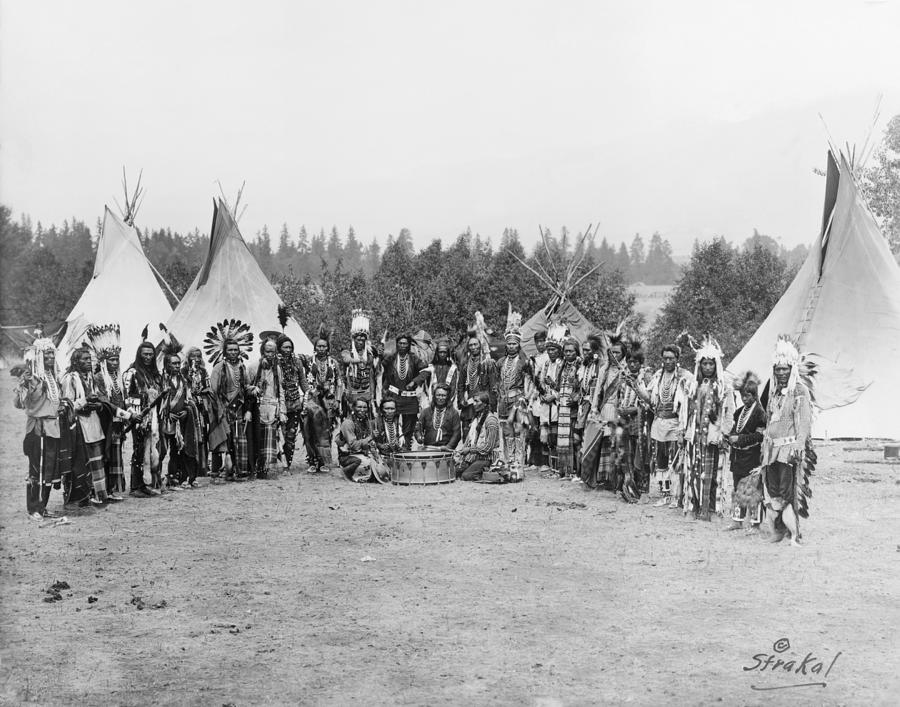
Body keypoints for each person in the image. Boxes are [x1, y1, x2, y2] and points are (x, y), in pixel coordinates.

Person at [760, 337, 814, 546]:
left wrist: (799, 446)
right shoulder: (773, 391)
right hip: (771, 449)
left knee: (787, 491)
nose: (781, 373)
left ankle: (794, 534)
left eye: (784, 369)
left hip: (788, 449)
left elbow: (804, 421)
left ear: (792, 368)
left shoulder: (800, 391)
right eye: (777, 369)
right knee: (772, 489)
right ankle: (778, 530)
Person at [14, 335, 65, 519]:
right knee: (36, 469)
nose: (51, 358)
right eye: (47, 355)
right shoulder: (33, 378)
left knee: (49, 470)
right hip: (38, 429)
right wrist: (26, 383)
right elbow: (19, 404)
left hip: (53, 428)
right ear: (40, 358)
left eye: (52, 355)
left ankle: (42, 507)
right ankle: (33, 508)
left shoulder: (54, 377)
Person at [683, 336, 733, 521]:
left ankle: (713, 509)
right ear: (699, 365)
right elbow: (685, 411)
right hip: (695, 436)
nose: (708, 368)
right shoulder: (692, 385)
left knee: (713, 474)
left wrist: (724, 433)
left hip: (714, 436)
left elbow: (729, 413)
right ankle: (693, 507)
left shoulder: (724, 386)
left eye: (711, 364)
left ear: (716, 365)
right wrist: (684, 432)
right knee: (695, 472)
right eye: (704, 364)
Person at [205, 320, 255, 482]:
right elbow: (213, 390)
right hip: (223, 408)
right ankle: (222, 471)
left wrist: (253, 389)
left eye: (235, 350)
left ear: (239, 351)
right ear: (224, 351)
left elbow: (245, 386)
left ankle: (239, 470)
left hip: (238, 407)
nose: (233, 352)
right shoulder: (219, 367)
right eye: (230, 350)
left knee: (239, 439)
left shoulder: (242, 367)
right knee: (224, 439)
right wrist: (219, 408)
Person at [87, 323, 132, 500]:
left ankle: (112, 489)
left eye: (116, 360)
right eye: (111, 360)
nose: (114, 362)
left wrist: (127, 413)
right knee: (104, 456)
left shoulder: (118, 378)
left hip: (117, 425)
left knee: (116, 455)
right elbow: (104, 402)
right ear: (104, 362)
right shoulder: (99, 377)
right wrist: (125, 414)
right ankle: (99, 491)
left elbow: (123, 398)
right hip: (104, 424)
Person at [61, 345, 108, 506]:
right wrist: (85, 400)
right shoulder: (70, 379)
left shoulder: (91, 377)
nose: (89, 362)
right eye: (85, 359)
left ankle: (98, 494)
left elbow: (98, 399)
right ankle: (81, 497)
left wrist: (98, 405)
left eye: (90, 359)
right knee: (82, 462)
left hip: (94, 425)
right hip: (80, 427)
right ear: (76, 361)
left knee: (97, 461)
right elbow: (67, 406)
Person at [580, 329, 627, 490]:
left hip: (617, 411)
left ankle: (614, 480)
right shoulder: (604, 370)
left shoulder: (625, 372)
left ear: (623, 354)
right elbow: (598, 390)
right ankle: (600, 478)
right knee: (600, 443)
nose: (614, 355)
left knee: (615, 445)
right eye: (612, 352)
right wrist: (594, 409)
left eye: (618, 353)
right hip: (603, 410)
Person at [647, 344, 692, 507]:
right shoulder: (658, 376)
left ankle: (676, 496)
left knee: (676, 460)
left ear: (677, 359)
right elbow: (650, 398)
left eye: (671, 358)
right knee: (661, 460)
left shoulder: (684, 376)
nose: (668, 361)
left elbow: (690, 397)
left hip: (675, 424)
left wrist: (683, 427)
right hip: (659, 423)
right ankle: (664, 494)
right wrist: (636, 386)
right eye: (665, 358)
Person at [123, 331, 163, 496]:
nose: (148, 357)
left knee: (149, 448)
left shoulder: (154, 374)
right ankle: (135, 486)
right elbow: (126, 397)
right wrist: (133, 414)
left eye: (151, 355)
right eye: (145, 354)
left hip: (153, 417)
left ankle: (145, 484)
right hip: (138, 417)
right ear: (139, 356)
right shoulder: (131, 373)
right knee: (138, 449)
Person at [158, 350, 206, 488]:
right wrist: (167, 414)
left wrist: (186, 411)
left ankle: (176, 477)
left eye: (178, 363)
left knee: (177, 449)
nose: (177, 366)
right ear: (167, 365)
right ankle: (157, 478)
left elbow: (188, 399)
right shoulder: (162, 381)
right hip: (166, 421)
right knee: (162, 450)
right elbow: (159, 401)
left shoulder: (183, 381)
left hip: (181, 421)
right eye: (173, 363)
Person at [726, 372, 767, 530]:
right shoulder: (739, 412)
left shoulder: (760, 414)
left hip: (752, 457)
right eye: (743, 395)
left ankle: (755, 523)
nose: (745, 399)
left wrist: (740, 439)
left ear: (755, 395)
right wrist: (730, 437)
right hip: (737, 457)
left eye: (748, 395)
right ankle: (737, 520)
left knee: (753, 489)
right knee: (737, 487)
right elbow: (733, 430)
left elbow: (760, 435)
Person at [496, 310, 532, 473]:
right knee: (507, 432)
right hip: (503, 401)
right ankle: (508, 460)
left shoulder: (524, 362)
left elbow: (530, 382)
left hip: (518, 401)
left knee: (518, 431)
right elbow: (497, 381)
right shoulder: (501, 362)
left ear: (519, 345)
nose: (511, 346)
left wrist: (525, 398)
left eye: (514, 344)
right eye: (509, 344)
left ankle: (519, 463)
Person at [617, 340, 651, 502]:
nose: (632, 365)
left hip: (640, 423)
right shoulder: (623, 379)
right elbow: (619, 398)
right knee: (627, 453)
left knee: (641, 453)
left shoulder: (645, 379)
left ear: (641, 363)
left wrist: (634, 409)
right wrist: (621, 409)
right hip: (626, 422)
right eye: (629, 361)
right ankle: (629, 486)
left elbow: (648, 402)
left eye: (635, 362)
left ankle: (642, 488)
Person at [248, 337, 287, 480]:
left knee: (268, 440)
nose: (270, 354)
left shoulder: (277, 369)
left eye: (272, 352)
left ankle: (264, 468)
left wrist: (282, 411)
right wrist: (253, 389)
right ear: (262, 351)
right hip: (257, 408)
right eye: (267, 351)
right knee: (256, 439)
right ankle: (254, 468)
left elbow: (280, 390)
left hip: (272, 408)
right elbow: (246, 388)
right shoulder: (253, 367)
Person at [304, 326, 342, 472]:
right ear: (315, 347)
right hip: (313, 401)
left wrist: (337, 400)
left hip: (329, 401)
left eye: (324, 346)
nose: (321, 348)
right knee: (310, 430)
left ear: (328, 348)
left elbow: (339, 382)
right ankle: (313, 461)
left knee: (326, 431)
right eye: (319, 346)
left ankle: (324, 461)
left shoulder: (333, 363)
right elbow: (303, 380)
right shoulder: (308, 361)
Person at [381, 333, 428, 442]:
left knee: (408, 428)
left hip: (409, 398)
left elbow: (426, 371)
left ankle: (406, 449)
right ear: (397, 344)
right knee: (392, 424)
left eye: (405, 344)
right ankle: (392, 448)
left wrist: (414, 381)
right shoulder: (391, 358)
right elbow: (381, 366)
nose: (403, 346)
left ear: (409, 345)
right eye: (400, 343)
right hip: (394, 397)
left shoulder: (414, 358)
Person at [533, 324, 566, 470]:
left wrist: (554, 396)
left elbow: (565, 386)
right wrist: (542, 395)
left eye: (553, 349)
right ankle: (549, 465)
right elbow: (541, 382)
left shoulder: (562, 365)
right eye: (549, 349)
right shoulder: (546, 364)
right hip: (546, 404)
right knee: (547, 437)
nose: (551, 352)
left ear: (559, 350)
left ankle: (558, 466)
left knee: (556, 435)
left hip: (557, 405)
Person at [275, 334, 309, 469]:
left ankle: (287, 463)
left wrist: (307, 393)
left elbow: (302, 379)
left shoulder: (297, 361)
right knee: (280, 434)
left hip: (295, 403)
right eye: (285, 347)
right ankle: (278, 461)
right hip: (280, 403)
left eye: (290, 347)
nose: (288, 350)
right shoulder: (275, 362)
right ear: (279, 348)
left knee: (291, 435)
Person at [337, 397, 389, 483]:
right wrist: (370, 437)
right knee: (367, 463)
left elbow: (369, 442)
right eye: (359, 407)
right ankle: (347, 471)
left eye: (365, 407)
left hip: (362, 453)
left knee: (382, 463)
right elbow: (353, 445)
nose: (362, 410)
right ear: (353, 408)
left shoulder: (366, 421)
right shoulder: (348, 423)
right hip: (348, 455)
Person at [458, 333, 497, 440]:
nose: (473, 347)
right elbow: (460, 385)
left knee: (481, 435)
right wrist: (461, 399)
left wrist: (491, 405)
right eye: (471, 345)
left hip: (482, 403)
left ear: (480, 345)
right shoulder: (465, 364)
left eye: (475, 344)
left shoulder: (487, 363)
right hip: (468, 405)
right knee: (467, 435)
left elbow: (493, 386)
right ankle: (467, 455)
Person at [342, 309, 379, 419]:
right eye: (358, 338)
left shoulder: (370, 354)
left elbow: (372, 375)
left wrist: (373, 394)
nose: (361, 340)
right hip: (352, 393)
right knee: (351, 418)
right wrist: (358, 360)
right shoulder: (348, 351)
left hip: (367, 392)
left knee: (368, 418)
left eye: (363, 338)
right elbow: (346, 359)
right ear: (353, 339)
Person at [554, 337, 583, 478]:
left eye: (571, 351)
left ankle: (575, 470)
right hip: (563, 408)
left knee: (574, 438)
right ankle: (565, 470)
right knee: (564, 438)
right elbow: (559, 386)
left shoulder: (580, 365)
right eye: (566, 351)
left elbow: (583, 387)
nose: (568, 354)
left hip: (574, 408)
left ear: (577, 352)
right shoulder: (562, 366)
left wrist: (576, 398)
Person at [182, 346, 213, 475]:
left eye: (199, 356)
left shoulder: (204, 372)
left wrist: (203, 394)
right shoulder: (183, 371)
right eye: (193, 356)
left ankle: (202, 467)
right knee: (190, 436)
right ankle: (188, 468)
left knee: (202, 436)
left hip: (201, 408)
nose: (196, 359)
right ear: (188, 358)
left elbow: (208, 388)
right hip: (189, 408)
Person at [456, 392, 501, 481]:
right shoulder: (477, 418)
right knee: (455, 471)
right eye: (474, 401)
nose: (474, 404)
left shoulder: (491, 421)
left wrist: (469, 450)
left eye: (477, 401)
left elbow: (488, 448)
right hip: (476, 456)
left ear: (484, 404)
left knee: (466, 476)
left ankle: (487, 472)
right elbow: (469, 440)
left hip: (488, 458)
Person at [526, 328, 549, 467]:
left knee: (544, 428)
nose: (540, 344)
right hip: (534, 398)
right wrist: (528, 395)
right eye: (538, 342)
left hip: (545, 396)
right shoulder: (533, 358)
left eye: (543, 341)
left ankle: (545, 462)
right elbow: (529, 380)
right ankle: (534, 460)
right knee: (533, 428)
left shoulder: (550, 357)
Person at [415, 384, 462, 450]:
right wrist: (419, 437)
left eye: (443, 396)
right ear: (434, 396)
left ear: (448, 397)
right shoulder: (426, 412)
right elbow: (418, 429)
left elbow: (457, 434)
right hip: (427, 449)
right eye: (438, 395)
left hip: (445, 450)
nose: (440, 398)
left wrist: (448, 447)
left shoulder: (454, 413)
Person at [424, 338, 459, 409]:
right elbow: (427, 386)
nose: (442, 354)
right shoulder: (431, 367)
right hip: (433, 401)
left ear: (447, 353)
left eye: (444, 352)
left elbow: (453, 386)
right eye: (440, 352)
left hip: (448, 401)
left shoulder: (452, 368)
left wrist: (447, 400)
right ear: (437, 353)